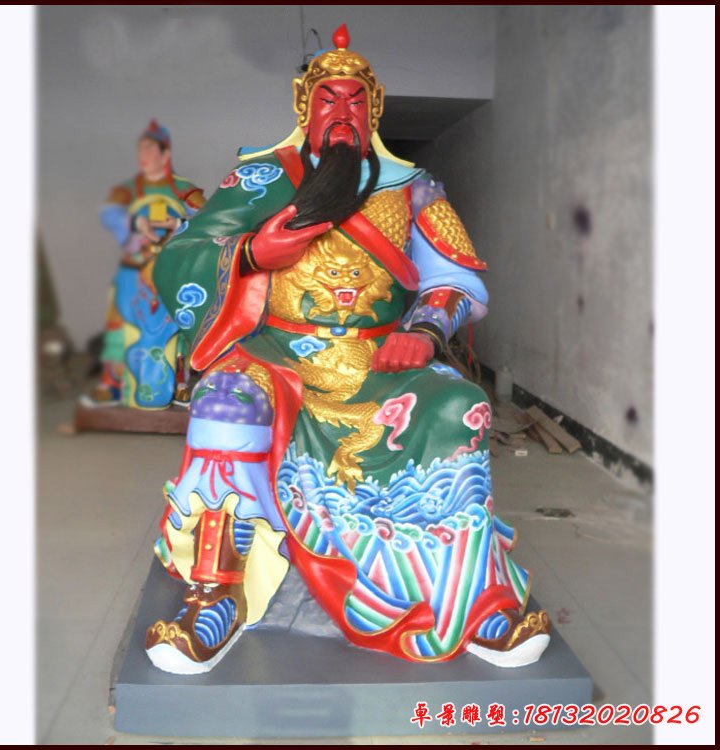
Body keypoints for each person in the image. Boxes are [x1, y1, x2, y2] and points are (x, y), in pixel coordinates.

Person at [145, 25, 550, 674]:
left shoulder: (413, 187)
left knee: (461, 407)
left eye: (356, 100)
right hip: (276, 355)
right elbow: (180, 259)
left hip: (378, 359)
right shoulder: (258, 178)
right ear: (303, 106)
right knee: (226, 399)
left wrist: (423, 332)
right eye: (327, 99)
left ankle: (470, 595)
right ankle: (217, 589)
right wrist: (250, 253)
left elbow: (456, 279)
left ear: (375, 109)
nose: (342, 111)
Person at [85, 119, 206, 409]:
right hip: (133, 271)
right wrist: (135, 222)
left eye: (151, 148)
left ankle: (179, 383)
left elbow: (207, 220)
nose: (144, 155)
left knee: (177, 328)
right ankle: (112, 383)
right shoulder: (127, 190)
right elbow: (109, 214)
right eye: (141, 148)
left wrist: (178, 223)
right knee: (119, 325)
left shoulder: (184, 190)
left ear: (166, 154)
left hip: (170, 273)